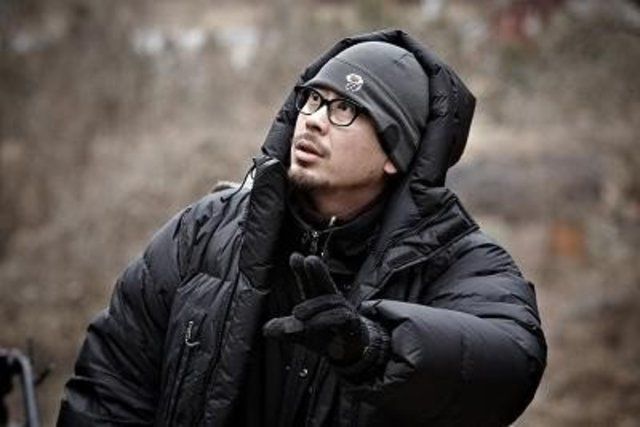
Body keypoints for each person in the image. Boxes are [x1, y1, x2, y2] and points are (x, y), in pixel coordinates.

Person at [58, 29, 546, 426]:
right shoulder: (204, 232)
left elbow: (510, 363)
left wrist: (373, 349)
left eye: (345, 109)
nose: (312, 121)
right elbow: (111, 387)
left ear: (397, 155)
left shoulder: (454, 259)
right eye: (312, 99)